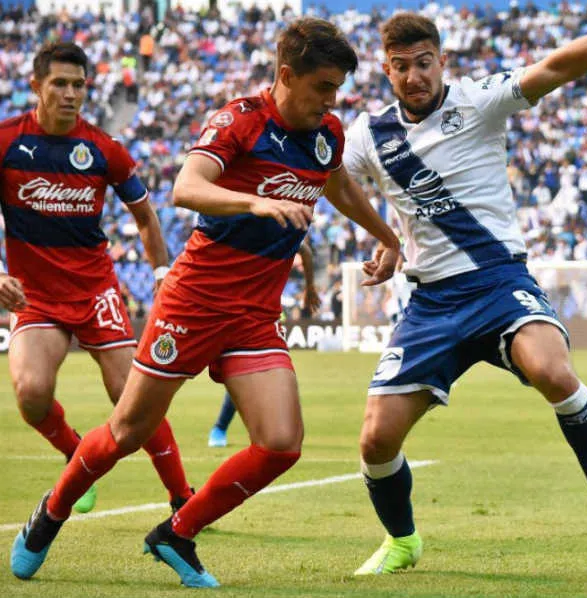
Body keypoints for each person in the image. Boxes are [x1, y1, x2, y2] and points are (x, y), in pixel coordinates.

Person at [11, 19, 401, 588]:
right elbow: (185, 188)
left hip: (255, 314)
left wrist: (385, 235)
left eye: (337, 88)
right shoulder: (240, 120)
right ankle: (51, 513)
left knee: (281, 443)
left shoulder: (327, 134)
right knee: (127, 432)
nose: (331, 100)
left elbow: (337, 186)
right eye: (323, 86)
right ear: (287, 75)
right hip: (195, 301)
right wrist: (254, 203)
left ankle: (177, 532)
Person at [342, 7, 587, 576]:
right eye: (402, 67)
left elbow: (558, 66)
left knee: (555, 374)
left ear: (443, 61)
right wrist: (384, 236)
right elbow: (331, 178)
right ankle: (403, 540)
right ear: (387, 71)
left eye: (425, 63)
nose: (415, 76)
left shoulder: (480, 100)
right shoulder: (368, 135)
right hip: (431, 303)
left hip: (498, 284)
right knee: (375, 441)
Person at [0, 42, 193, 516]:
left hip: (95, 290)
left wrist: (162, 272)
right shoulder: (5, 142)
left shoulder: (104, 149)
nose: (70, 94)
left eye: (78, 85)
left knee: (133, 397)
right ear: (35, 87)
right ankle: (74, 453)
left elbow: (146, 216)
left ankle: (181, 496)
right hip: (37, 295)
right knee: (31, 394)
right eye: (59, 84)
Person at [208, 241, 321, 448]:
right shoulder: (238, 233)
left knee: (254, 375)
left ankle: (225, 429)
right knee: (238, 377)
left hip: (260, 320)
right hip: (229, 313)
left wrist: (310, 286)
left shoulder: (276, 232)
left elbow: (304, 250)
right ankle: (222, 428)